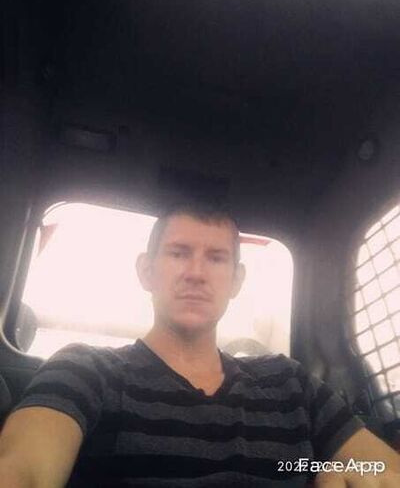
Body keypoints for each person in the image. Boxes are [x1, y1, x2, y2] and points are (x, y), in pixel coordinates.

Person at [0, 204, 399, 487]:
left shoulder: (291, 383)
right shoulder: (85, 370)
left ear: (236, 281)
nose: (196, 273)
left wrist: (342, 472)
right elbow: (24, 470)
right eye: (179, 253)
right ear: (146, 271)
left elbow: (384, 470)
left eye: (216, 258)